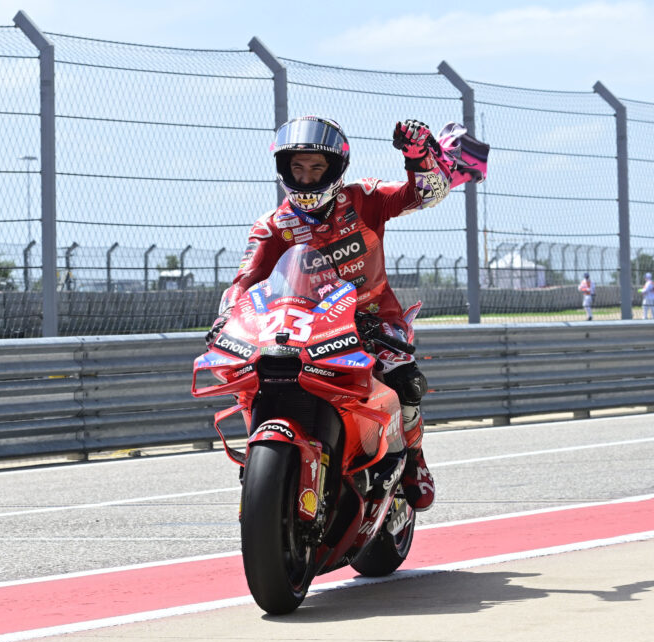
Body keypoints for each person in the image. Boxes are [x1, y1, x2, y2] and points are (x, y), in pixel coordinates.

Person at [205, 116, 486, 512]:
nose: (305, 178)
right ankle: (263, 464)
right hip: (302, 326)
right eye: (297, 168)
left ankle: (413, 457)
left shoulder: (364, 198)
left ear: (336, 169)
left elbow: (425, 195)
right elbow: (243, 282)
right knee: (255, 377)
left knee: (405, 381)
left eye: (316, 167)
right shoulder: (270, 227)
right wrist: (225, 318)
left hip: (373, 318)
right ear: (284, 169)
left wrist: (419, 157)